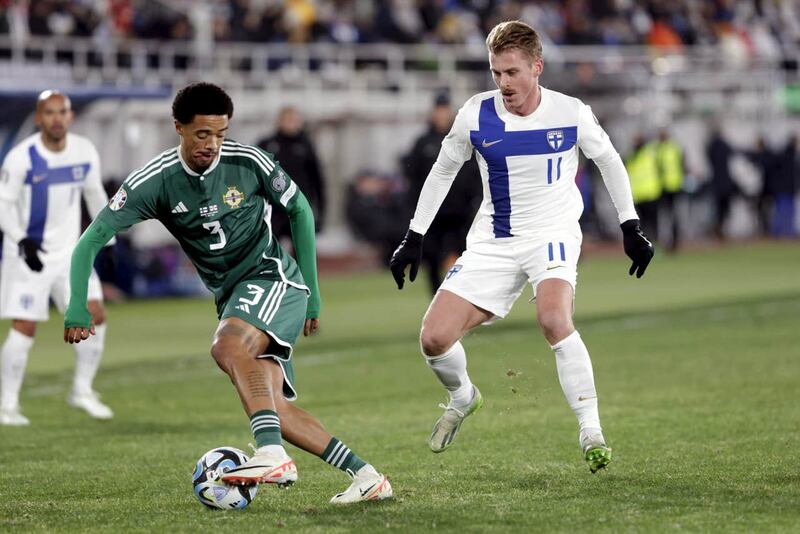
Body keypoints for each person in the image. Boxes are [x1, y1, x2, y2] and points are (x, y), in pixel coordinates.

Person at [63, 83, 391, 504]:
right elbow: (90, 239)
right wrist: (77, 305)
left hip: (272, 277)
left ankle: (271, 455)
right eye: (202, 134)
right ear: (178, 127)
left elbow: (301, 210)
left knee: (227, 346)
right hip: (232, 294)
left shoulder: (247, 161)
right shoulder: (157, 181)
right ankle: (367, 477)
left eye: (220, 134)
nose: (213, 145)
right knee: (276, 409)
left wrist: (312, 292)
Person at [389, 21, 654, 473]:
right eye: (496, 73)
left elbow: (608, 160)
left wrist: (630, 225)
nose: (503, 83)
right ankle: (462, 396)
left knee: (553, 319)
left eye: (512, 72)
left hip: (552, 232)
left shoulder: (570, 112)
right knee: (433, 339)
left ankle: (591, 429)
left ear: (537, 67)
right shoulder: (476, 114)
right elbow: (442, 170)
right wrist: (414, 236)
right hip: (494, 238)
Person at [0, 90, 113, 426]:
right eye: (49, 113)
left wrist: (110, 242)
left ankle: (81, 389)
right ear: (39, 118)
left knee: (96, 314)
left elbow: (95, 195)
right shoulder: (21, 158)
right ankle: (7, 404)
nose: (57, 118)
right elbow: (3, 205)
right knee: (24, 327)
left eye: (62, 112)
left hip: (70, 255)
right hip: (28, 255)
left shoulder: (83, 151)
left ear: (71, 116)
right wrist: (21, 241)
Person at [402, 92, 482, 295]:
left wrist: (475, 202)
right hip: (433, 215)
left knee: (462, 257)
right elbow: (413, 179)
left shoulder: (464, 140)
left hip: (460, 213)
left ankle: (462, 299)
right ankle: (438, 300)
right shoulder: (423, 144)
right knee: (432, 259)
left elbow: (475, 175)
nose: (441, 115)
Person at [257, 106, 326, 240]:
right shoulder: (267, 144)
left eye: (294, 120)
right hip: (273, 208)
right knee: (271, 250)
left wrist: (320, 212)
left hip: (299, 205)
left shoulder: (306, 146)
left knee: (301, 252)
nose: (291, 123)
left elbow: (317, 179)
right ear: (279, 121)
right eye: (287, 120)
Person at [626, 134, 661, 242]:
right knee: (642, 224)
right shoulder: (631, 157)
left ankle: (655, 244)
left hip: (651, 193)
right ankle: (646, 245)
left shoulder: (649, 153)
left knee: (652, 223)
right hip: (638, 195)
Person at [654, 129, 685, 251]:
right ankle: (663, 241)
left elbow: (682, 165)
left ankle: (674, 242)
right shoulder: (656, 149)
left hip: (673, 187)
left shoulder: (674, 148)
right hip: (661, 187)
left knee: (673, 216)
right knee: (663, 217)